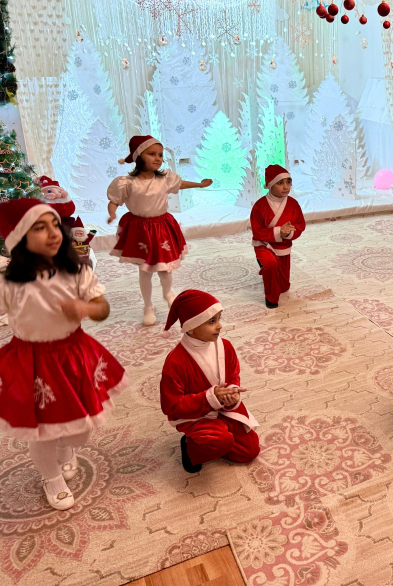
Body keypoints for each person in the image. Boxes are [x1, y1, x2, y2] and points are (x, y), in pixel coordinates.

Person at [0, 199, 125, 510]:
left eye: (54, 224)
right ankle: (51, 477)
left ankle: (66, 449)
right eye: (40, 227)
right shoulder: (5, 281)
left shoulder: (75, 271)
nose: (53, 232)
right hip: (30, 361)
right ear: (20, 237)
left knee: (81, 428)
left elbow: (102, 308)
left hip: (74, 353)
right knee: (41, 430)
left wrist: (85, 307)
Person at [106, 135, 212, 326]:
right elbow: (114, 200)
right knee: (145, 270)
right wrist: (112, 213)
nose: (158, 158)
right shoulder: (127, 182)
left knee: (165, 267)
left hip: (161, 227)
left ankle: (168, 292)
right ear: (139, 156)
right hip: (140, 230)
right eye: (152, 154)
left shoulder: (164, 179)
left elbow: (181, 184)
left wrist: (200, 184)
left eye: (160, 155)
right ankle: (148, 306)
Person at [160, 290, 259, 473]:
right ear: (191, 327)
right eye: (212, 321)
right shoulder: (175, 362)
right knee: (220, 442)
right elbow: (170, 405)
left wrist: (232, 391)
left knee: (249, 451)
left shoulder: (226, 346)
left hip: (224, 408)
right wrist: (209, 398)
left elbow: (233, 375)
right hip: (196, 416)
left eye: (219, 319)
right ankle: (190, 446)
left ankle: (220, 435)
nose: (219, 326)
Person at [250, 165, 306, 308]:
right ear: (269, 185)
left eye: (288, 182)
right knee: (271, 265)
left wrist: (289, 232)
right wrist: (278, 231)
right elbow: (257, 231)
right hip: (263, 245)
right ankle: (271, 299)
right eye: (280, 183)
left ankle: (268, 268)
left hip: (283, 246)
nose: (286, 187)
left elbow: (300, 224)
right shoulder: (259, 206)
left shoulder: (293, 204)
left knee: (284, 286)